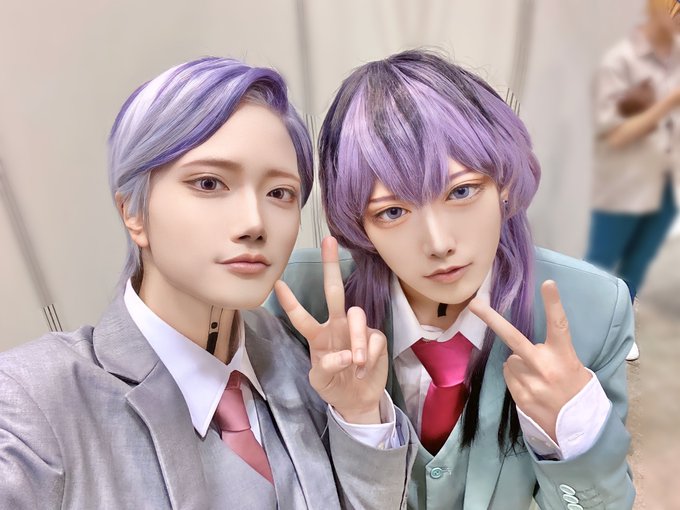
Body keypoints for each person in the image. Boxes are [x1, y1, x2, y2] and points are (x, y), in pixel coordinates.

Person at [0, 57, 415, 509]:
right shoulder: (33, 401)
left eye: (279, 193)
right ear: (133, 212)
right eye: (209, 183)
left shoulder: (300, 358)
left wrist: (359, 415)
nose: (254, 223)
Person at [267, 50, 635, 509]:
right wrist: (358, 420)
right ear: (359, 226)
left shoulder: (593, 309)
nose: (439, 243)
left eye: (461, 191)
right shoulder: (297, 306)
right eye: (393, 212)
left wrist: (573, 432)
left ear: (503, 183)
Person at [586, 0, 680, 360]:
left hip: (666, 180)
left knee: (638, 261)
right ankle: (586, 329)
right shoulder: (623, 61)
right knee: (602, 260)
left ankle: (618, 330)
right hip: (625, 178)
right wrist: (666, 103)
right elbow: (616, 135)